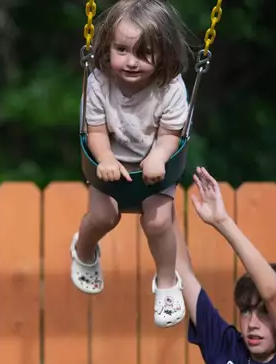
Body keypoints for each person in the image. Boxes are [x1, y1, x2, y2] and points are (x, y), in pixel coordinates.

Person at [69, 0, 190, 328]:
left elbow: (170, 134)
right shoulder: (98, 81)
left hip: (156, 163)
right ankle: (83, 250)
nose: (131, 61)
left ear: (164, 52)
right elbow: (94, 132)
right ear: (107, 46)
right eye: (122, 49)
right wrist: (105, 158)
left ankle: (167, 281)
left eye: (144, 52)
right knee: (103, 215)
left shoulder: (171, 87)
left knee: (159, 221)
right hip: (109, 160)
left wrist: (158, 156)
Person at [175, 166, 276, 364]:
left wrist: (222, 221)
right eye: (245, 311)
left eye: (266, 312)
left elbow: (273, 294)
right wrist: (159, 194)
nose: (252, 324)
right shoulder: (225, 347)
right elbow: (182, 270)